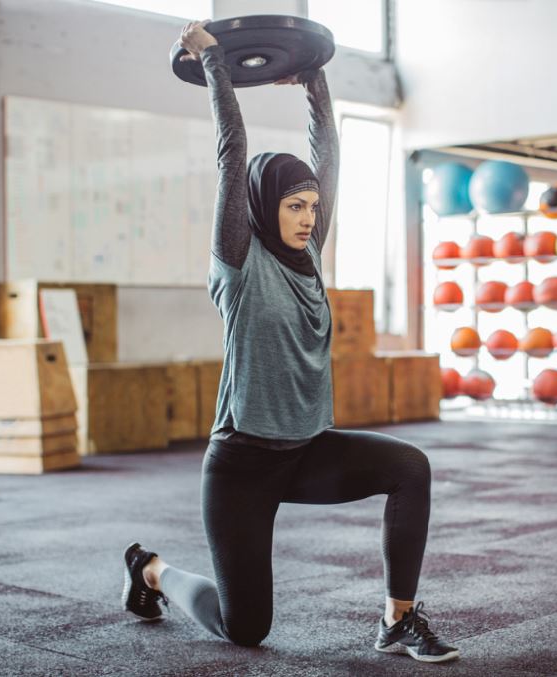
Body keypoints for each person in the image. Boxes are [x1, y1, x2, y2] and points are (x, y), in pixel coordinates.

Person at [120, 20, 459, 664]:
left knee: (410, 467)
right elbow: (232, 150)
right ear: (262, 205)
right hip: (242, 466)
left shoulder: (311, 255)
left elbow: (327, 151)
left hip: (306, 451)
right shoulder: (238, 262)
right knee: (247, 628)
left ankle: (398, 619)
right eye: (294, 205)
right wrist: (217, 64)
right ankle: (151, 571)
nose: (307, 217)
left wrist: (315, 79)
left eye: (311, 206)